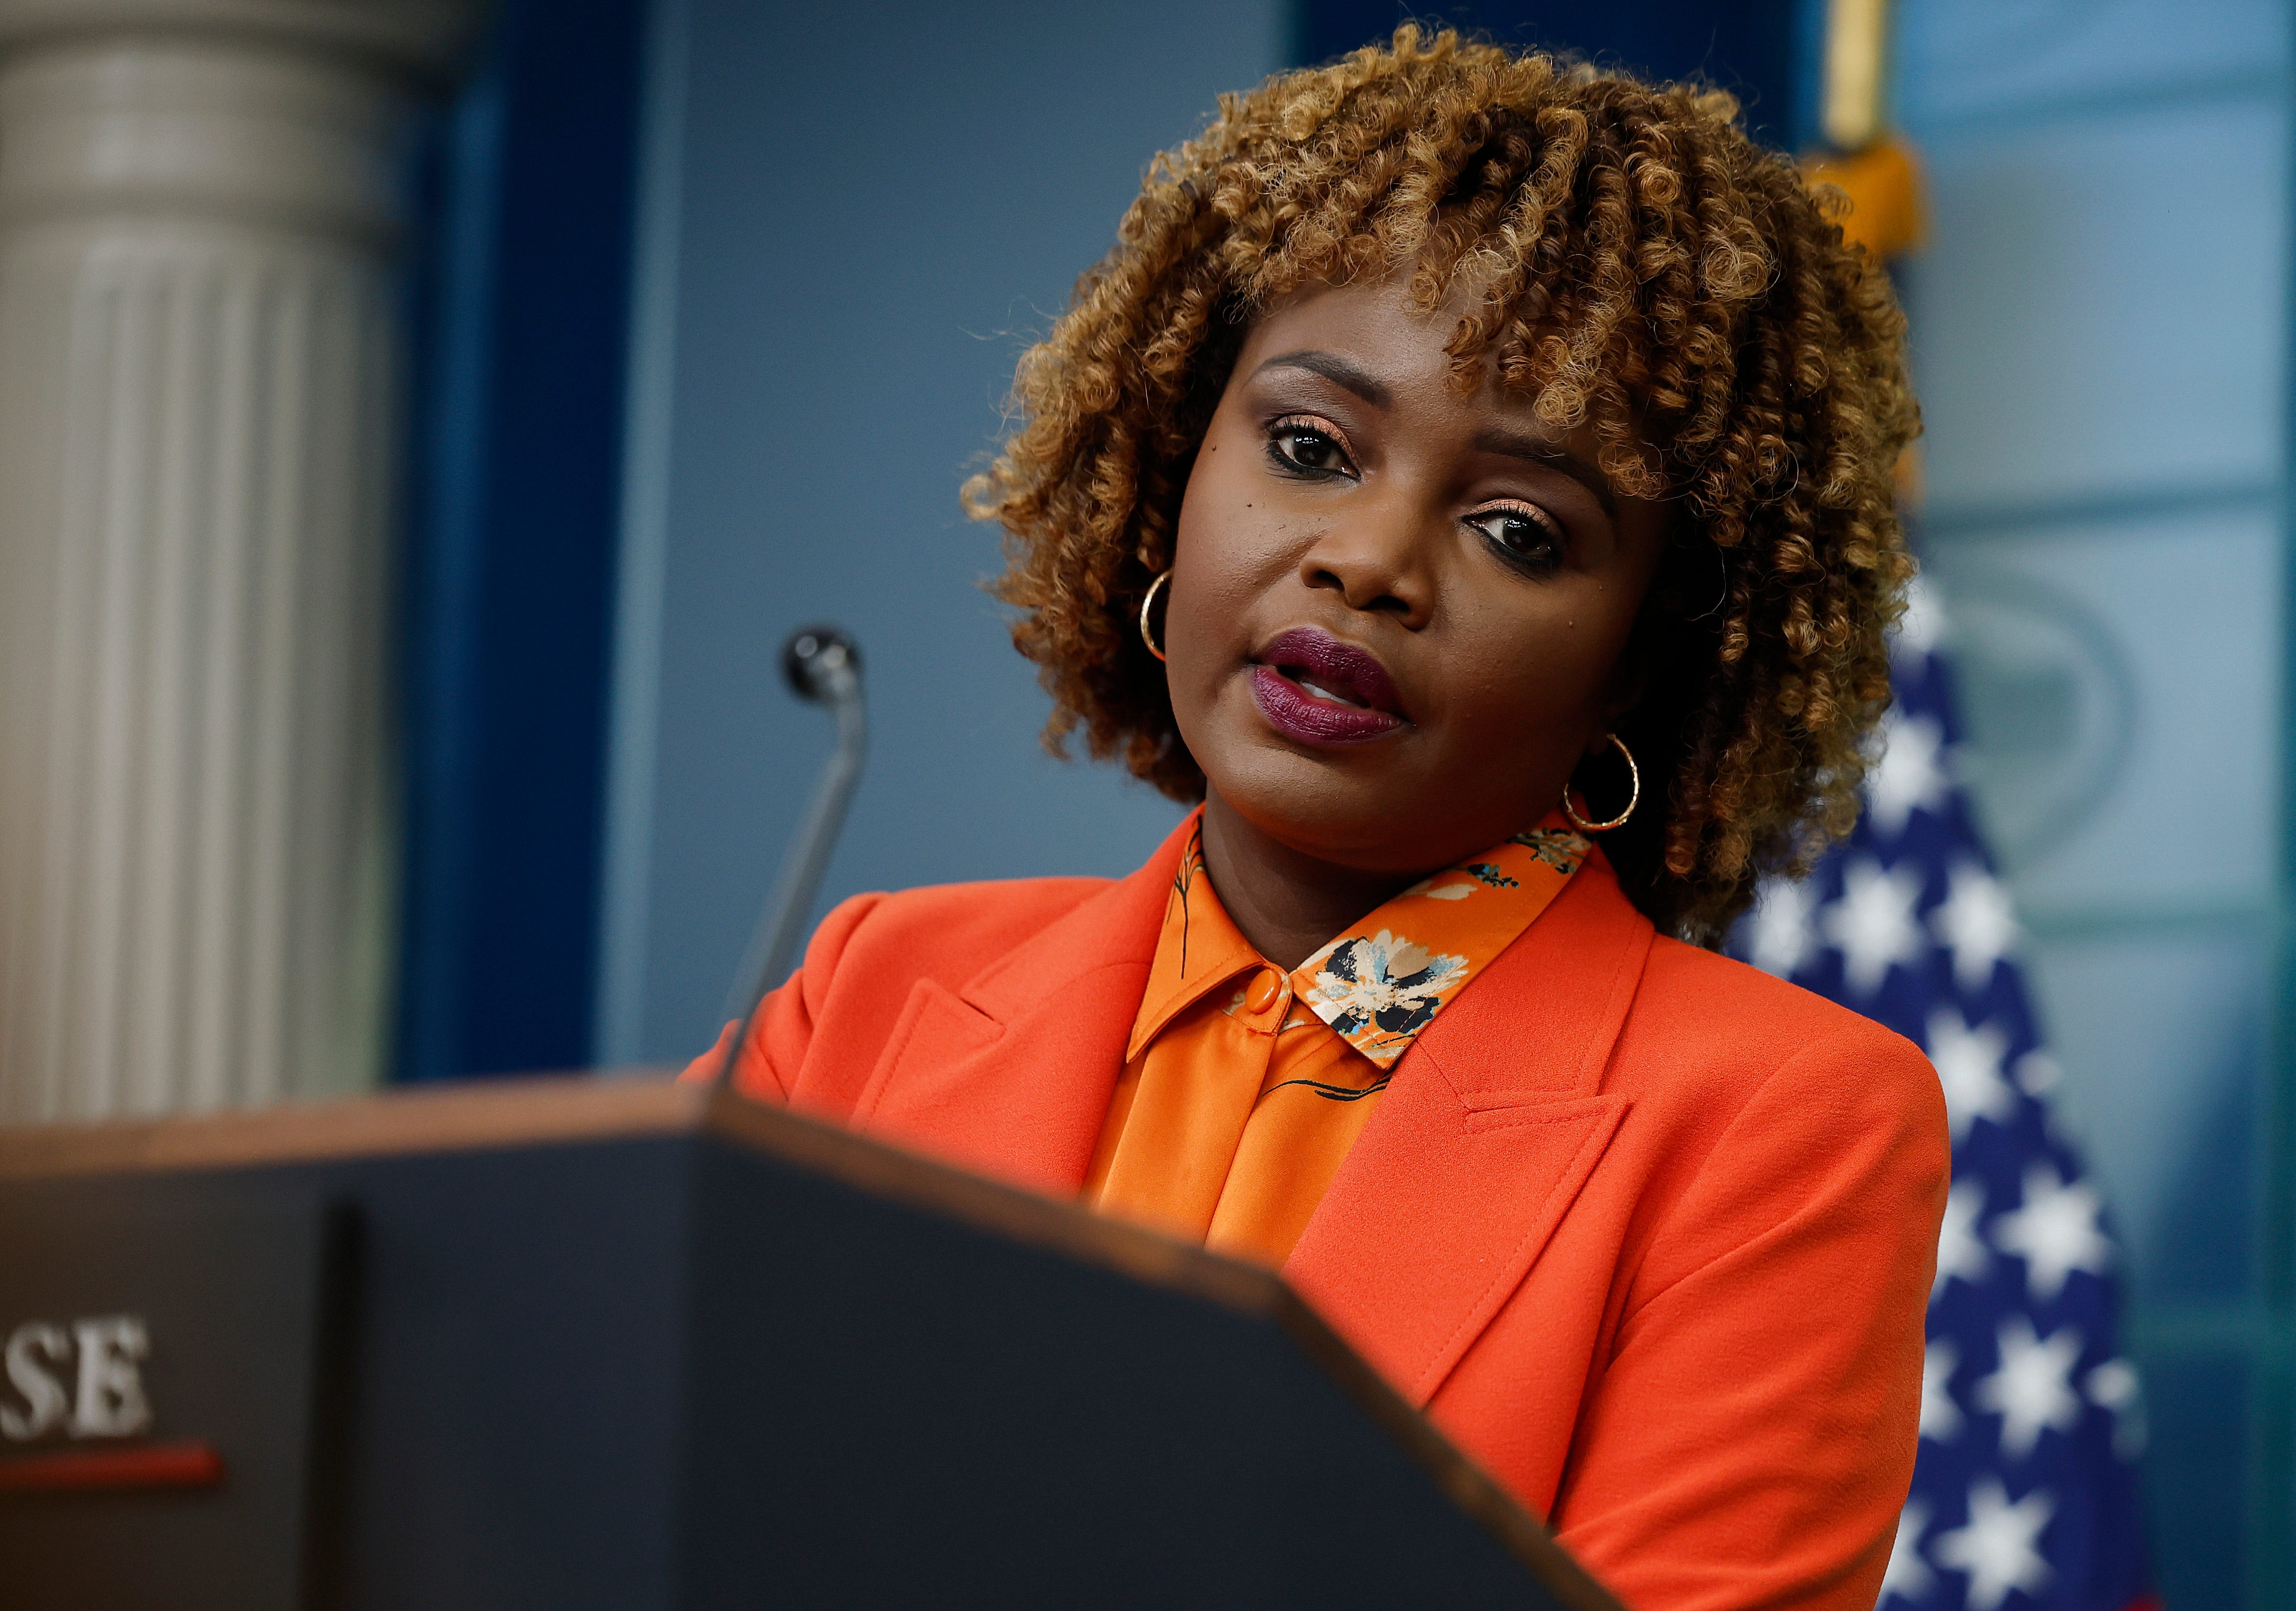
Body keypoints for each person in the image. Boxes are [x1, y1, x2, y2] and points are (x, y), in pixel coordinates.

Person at [685, 27, 1946, 1611]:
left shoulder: (1781, 1122)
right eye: (1307, 446)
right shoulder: (874, 994)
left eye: (1517, 529)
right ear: (1169, 472)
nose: (1369, 560)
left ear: (1649, 653)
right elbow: (537, 1453)